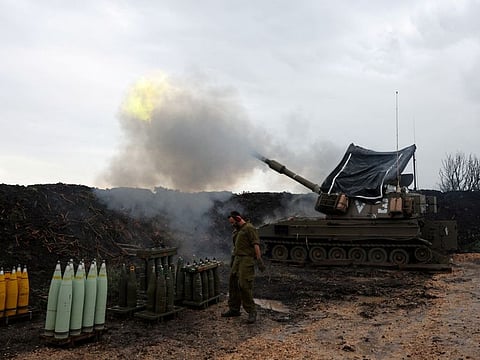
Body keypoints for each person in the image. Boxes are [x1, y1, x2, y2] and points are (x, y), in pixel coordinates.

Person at [222, 211, 265, 323]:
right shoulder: (238, 230)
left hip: (246, 260)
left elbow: (256, 244)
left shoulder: (249, 228)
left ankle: (252, 311)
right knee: (233, 284)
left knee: (244, 285)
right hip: (237, 259)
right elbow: (237, 246)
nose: (232, 225)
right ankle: (234, 309)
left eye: (233, 222)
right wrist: (233, 260)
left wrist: (259, 259)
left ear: (238, 218)